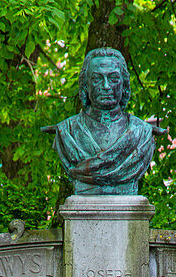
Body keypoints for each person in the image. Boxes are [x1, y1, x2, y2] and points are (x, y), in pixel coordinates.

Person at [49, 47, 156, 195]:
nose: (106, 86)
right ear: (85, 85)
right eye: (97, 79)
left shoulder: (141, 133)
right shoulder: (68, 131)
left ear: (124, 85)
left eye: (113, 79)